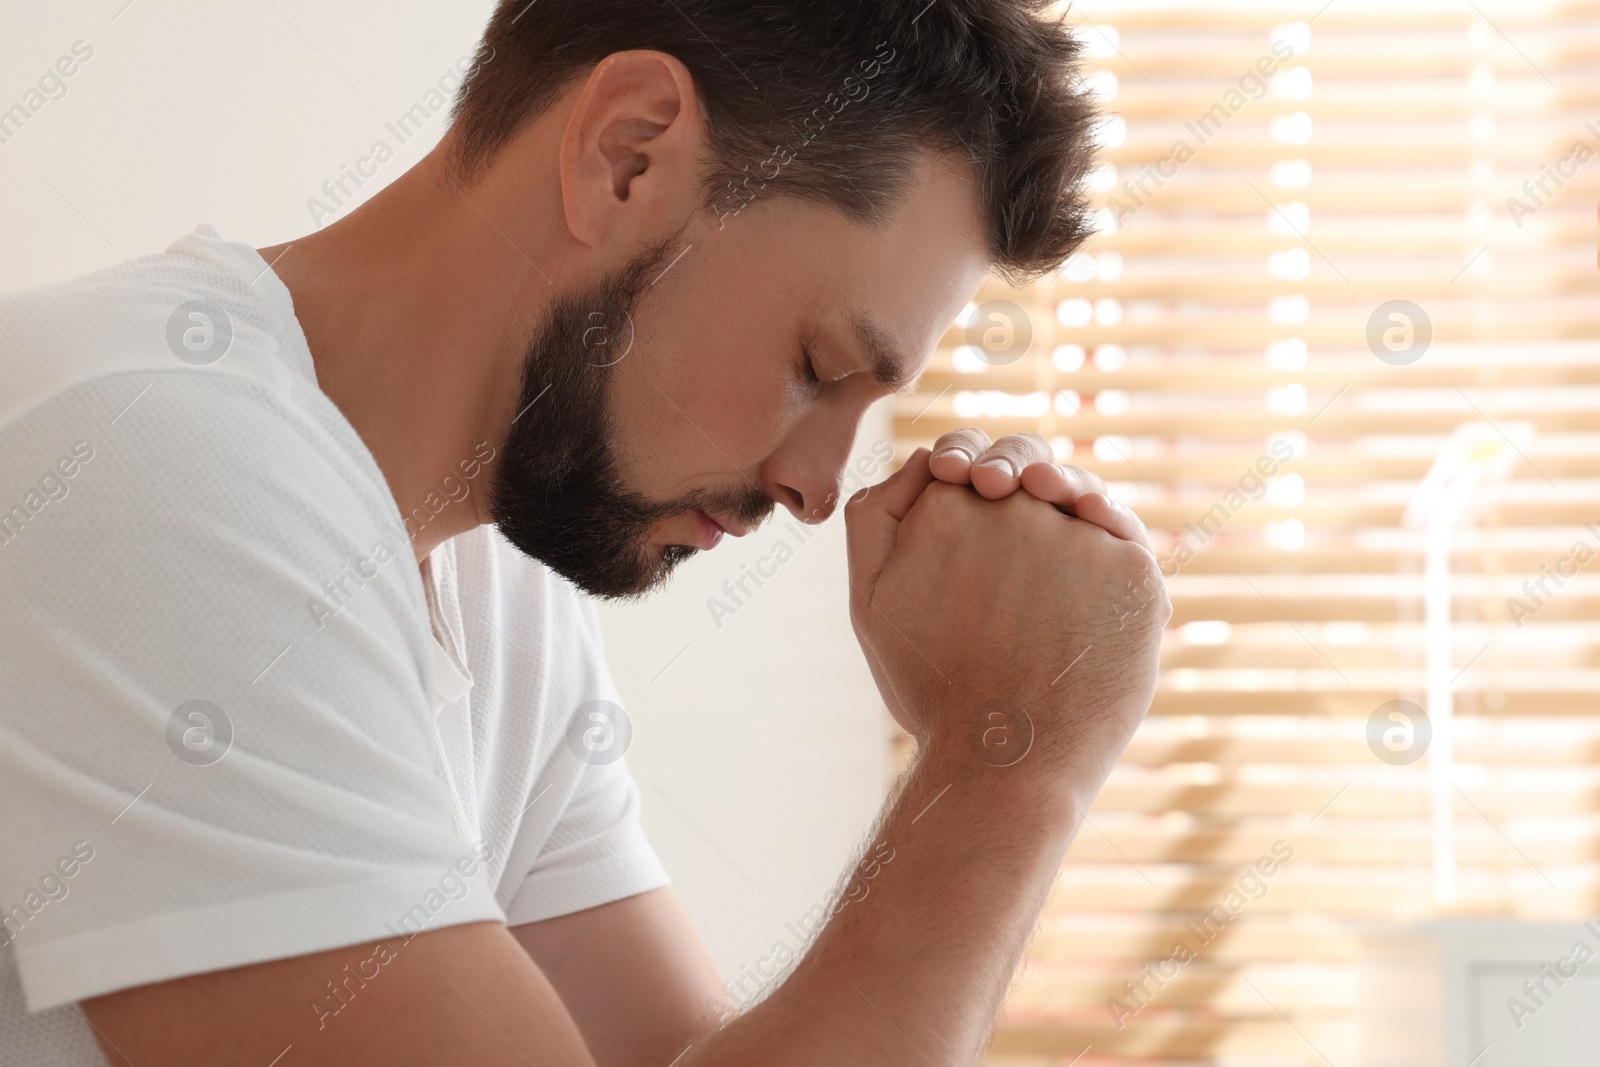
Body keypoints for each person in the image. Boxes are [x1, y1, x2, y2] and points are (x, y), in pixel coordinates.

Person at [0, 0, 1169, 1062]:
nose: (817, 489)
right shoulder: (147, 456)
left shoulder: (494, 581)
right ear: (629, 153)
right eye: (818, 367)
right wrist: (1008, 761)